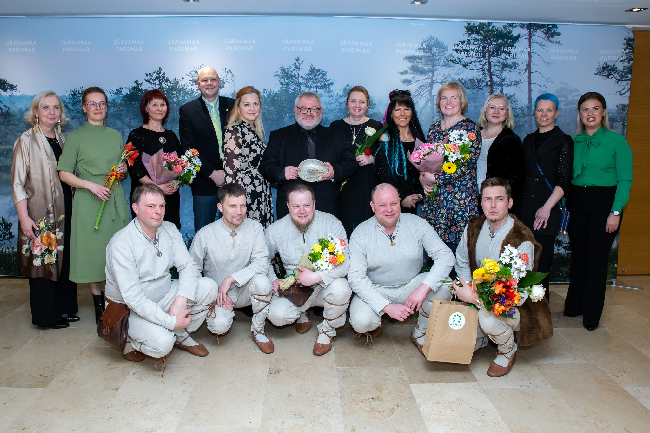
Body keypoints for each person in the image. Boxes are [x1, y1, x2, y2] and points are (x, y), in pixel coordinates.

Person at [105, 184, 218, 362]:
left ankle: (180, 336)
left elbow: (188, 266)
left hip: (165, 294)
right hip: (129, 309)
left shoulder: (169, 229)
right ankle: (131, 342)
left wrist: (181, 299)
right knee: (163, 344)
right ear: (135, 208)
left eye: (162, 206)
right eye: (150, 206)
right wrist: (170, 322)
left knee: (209, 287)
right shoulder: (121, 244)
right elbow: (133, 298)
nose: (158, 211)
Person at [453, 177, 545, 377]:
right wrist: (467, 286)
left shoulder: (521, 239)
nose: (493, 205)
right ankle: (483, 337)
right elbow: (461, 260)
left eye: (499, 199)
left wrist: (473, 297)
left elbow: (514, 295)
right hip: (480, 293)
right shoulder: (473, 226)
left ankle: (507, 350)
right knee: (445, 291)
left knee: (488, 320)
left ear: (510, 203)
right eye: (488, 199)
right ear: (481, 202)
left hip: (516, 305)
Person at [347, 183, 454, 354]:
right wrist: (387, 306)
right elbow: (356, 278)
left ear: (399, 202)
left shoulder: (417, 223)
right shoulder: (360, 233)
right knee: (361, 322)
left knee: (445, 285)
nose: (389, 210)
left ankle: (420, 332)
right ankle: (377, 322)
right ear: (372, 206)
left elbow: (446, 256)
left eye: (393, 203)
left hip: (411, 285)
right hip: (377, 288)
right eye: (382, 205)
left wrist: (423, 288)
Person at [58, 86, 129, 323]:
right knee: (93, 253)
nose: (98, 108)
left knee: (116, 252)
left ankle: (114, 300)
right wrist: (90, 186)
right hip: (89, 202)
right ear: (84, 107)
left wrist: (122, 169)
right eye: (92, 103)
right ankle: (99, 303)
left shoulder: (115, 135)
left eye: (102, 103)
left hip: (114, 199)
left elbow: (120, 169)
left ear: (106, 107)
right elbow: (64, 173)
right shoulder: (76, 138)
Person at [564, 92, 633, 331]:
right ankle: (574, 306)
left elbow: (625, 180)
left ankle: (591, 314)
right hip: (577, 202)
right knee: (578, 255)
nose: (590, 113)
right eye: (585, 109)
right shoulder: (574, 141)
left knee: (596, 258)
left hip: (605, 204)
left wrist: (616, 211)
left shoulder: (617, 141)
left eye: (595, 108)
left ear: (603, 112)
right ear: (580, 114)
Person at [11, 91, 78, 329]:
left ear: (61, 113)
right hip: (40, 213)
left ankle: (63, 309)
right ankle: (45, 317)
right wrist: (24, 218)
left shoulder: (63, 140)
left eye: (56, 107)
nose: (51, 112)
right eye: (46, 107)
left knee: (63, 260)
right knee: (43, 262)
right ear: (35, 111)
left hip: (66, 208)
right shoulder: (25, 140)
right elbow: (17, 183)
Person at [265, 184, 352, 356]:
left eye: (306, 205)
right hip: (295, 289)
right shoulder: (275, 230)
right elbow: (262, 258)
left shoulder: (332, 223)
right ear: (288, 206)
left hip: (325, 285)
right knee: (277, 315)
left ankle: (327, 331)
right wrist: (272, 278)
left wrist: (318, 276)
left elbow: (347, 262)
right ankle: (302, 315)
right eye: (296, 206)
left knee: (342, 289)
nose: (302, 211)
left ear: (314, 203)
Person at [189, 183, 274, 353]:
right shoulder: (205, 234)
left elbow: (261, 263)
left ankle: (258, 330)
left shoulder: (255, 228)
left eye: (242, 205)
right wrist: (209, 296)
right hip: (219, 296)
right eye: (233, 206)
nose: (239, 211)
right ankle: (217, 313)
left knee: (263, 282)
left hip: (245, 290)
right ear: (220, 207)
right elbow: (192, 270)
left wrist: (231, 279)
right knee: (219, 327)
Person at [259, 92, 357, 220]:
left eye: (314, 109)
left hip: (327, 207)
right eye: (304, 109)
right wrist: (282, 173)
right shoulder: (279, 136)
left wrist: (334, 172)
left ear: (321, 111)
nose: (309, 113)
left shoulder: (336, 136)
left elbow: (351, 163)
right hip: (291, 209)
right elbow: (265, 166)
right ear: (295, 110)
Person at [516, 93, 574, 298]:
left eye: (549, 110)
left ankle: (541, 309)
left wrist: (547, 208)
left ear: (556, 113)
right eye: (540, 110)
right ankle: (521, 307)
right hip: (525, 208)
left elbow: (564, 180)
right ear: (535, 113)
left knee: (541, 262)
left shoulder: (564, 140)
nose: (544, 114)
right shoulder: (528, 140)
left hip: (547, 209)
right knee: (522, 261)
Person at [419, 81, 482, 261]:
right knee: (435, 257)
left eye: (454, 98)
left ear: (462, 101)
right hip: (434, 203)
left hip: (459, 203)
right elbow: (425, 160)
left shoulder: (470, 129)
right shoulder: (434, 129)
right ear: (438, 102)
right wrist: (423, 178)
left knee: (458, 259)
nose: (449, 102)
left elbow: (466, 164)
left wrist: (435, 178)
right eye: (444, 98)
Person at [179, 66, 236, 232]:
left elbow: (242, 142)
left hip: (234, 180)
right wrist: (212, 173)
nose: (209, 83)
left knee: (235, 230)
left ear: (219, 82)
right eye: (204, 80)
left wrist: (230, 171)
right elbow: (188, 148)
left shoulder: (233, 105)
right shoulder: (188, 110)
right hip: (204, 183)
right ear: (198, 83)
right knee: (204, 233)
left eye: (213, 79)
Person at [329, 86, 384, 235]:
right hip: (342, 186)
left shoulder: (377, 127)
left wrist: (372, 158)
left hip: (366, 185)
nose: (357, 105)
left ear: (368, 105)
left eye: (362, 102)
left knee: (367, 230)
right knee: (342, 229)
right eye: (353, 101)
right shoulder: (335, 126)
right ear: (347, 103)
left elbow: (386, 157)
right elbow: (330, 154)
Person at [127, 89, 181, 229]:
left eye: (162, 105)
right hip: (146, 198)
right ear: (146, 108)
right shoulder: (137, 135)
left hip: (170, 197)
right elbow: (135, 168)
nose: (159, 108)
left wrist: (176, 182)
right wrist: (157, 188)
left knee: (169, 234)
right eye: (154, 104)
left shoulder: (171, 135)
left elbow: (180, 164)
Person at [223, 86, 273, 228]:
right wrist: (236, 207)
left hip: (261, 194)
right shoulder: (234, 131)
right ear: (238, 107)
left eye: (255, 104)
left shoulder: (256, 131)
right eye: (246, 104)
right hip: (245, 198)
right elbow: (230, 174)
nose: (252, 108)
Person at [373, 90, 424, 215]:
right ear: (391, 113)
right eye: (397, 110)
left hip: (414, 203)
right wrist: (402, 196)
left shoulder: (419, 139)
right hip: (392, 204)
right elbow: (383, 174)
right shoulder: (385, 139)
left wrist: (419, 194)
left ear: (412, 113)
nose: (402, 114)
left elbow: (424, 171)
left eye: (406, 109)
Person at [476, 94, 525, 201]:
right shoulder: (473, 135)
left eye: (501, 108)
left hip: (496, 201)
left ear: (507, 114)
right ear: (485, 111)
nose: (496, 111)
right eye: (492, 107)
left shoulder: (511, 139)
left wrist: (504, 199)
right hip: (472, 197)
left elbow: (517, 176)